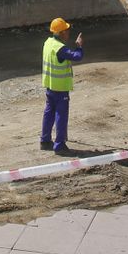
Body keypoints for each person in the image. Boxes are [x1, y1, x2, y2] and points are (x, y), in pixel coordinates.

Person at [40, 17, 84, 154]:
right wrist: (79, 46)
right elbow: (77, 56)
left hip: (50, 86)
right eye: (66, 30)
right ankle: (59, 145)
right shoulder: (60, 49)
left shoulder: (48, 43)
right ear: (61, 33)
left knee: (49, 112)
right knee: (61, 115)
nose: (68, 32)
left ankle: (45, 141)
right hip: (60, 88)